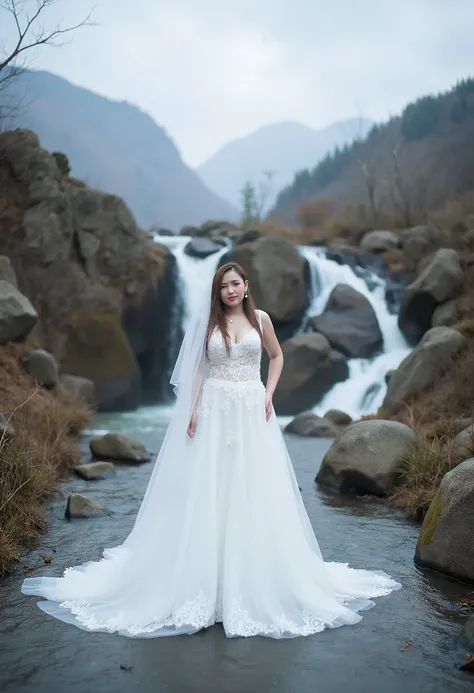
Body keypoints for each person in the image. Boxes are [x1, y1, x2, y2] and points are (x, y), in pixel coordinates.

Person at [21, 262, 401, 638]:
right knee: (208, 486)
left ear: (246, 286)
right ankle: (201, 580)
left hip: (252, 411)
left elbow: (278, 356)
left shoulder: (262, 320)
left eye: (235, 284)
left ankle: (251, 578)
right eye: (223, 286)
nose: (230, 291)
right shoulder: (208, 322)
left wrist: (268, 393)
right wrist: (191, 410)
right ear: (217, 292)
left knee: (251, 487)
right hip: (214, 410)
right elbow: (198, 370)